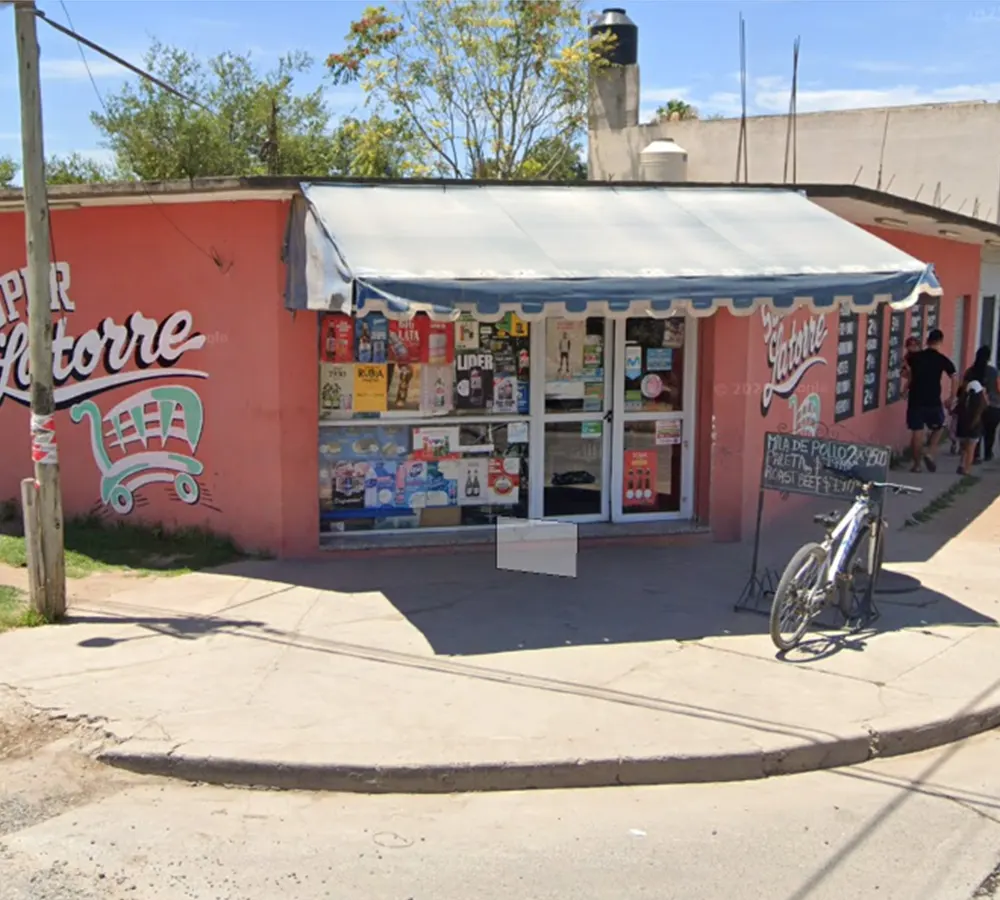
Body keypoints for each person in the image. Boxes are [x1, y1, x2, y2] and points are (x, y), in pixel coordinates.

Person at [906, 328, 958, 473]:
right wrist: (952, 397)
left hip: (915, 399)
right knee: (939, 426)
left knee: (917, 432)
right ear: (940, 342)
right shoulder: (942, 359)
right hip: (933, 400)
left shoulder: (915, 357)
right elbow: (954, 376)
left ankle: (916, 466)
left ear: (927, 341)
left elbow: (905, 371)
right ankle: (930, 451)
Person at [965, 345, 1000, 462]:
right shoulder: (993, 371)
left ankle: (976, 455)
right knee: (990, 431)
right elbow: (998, 387)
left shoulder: (970, 371)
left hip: (974, 405)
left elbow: (965, 388)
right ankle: (988, 453)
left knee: (976, 431)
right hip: (993, 405)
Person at [955, 379, 989, 475]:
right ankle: (967, 469)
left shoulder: (963, 400)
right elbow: (986, 405)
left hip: (962, 428)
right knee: (971, 450)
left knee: (964, 448)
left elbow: (956, 411)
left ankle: (961, 464)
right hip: (974, 428)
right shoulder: (980, 403)